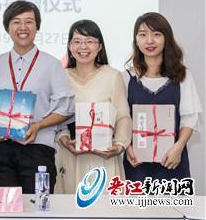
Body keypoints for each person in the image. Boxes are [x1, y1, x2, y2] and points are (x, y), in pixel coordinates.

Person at [0, 0, 74, 194]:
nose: (22, 27)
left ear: (37, 26)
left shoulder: (52, 64)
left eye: (29, 22)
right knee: (9, 207)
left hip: (39, 148)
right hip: (3, 148)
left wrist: (38, 125)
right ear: (7, 27)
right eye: (16, 22)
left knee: (39, 206)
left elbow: (65, 108)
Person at [53, 20, 131, 194]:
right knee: (68, 206)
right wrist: (63, 138)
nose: (83, 47)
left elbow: (123, 116)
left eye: (89, 41)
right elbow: (56, 115)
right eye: (77, 41)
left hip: (102, 155)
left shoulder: (112, 76)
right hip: (70, 155)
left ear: (99, 46)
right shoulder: (61, 76)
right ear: (70, 46)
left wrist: (119, 145)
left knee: (103, 206)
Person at [123, 12, 202, 182]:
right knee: (137, 200)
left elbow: (189, 118)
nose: (149, 41)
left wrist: (178, 147)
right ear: (136, 40)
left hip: (173, 161)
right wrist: (127, 147)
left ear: (167, 38)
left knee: (174, 200)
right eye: (143, 35)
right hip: (137, 163)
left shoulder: (182, 75)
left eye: (156, 34)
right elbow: (121, 119)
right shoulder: (126, 77)